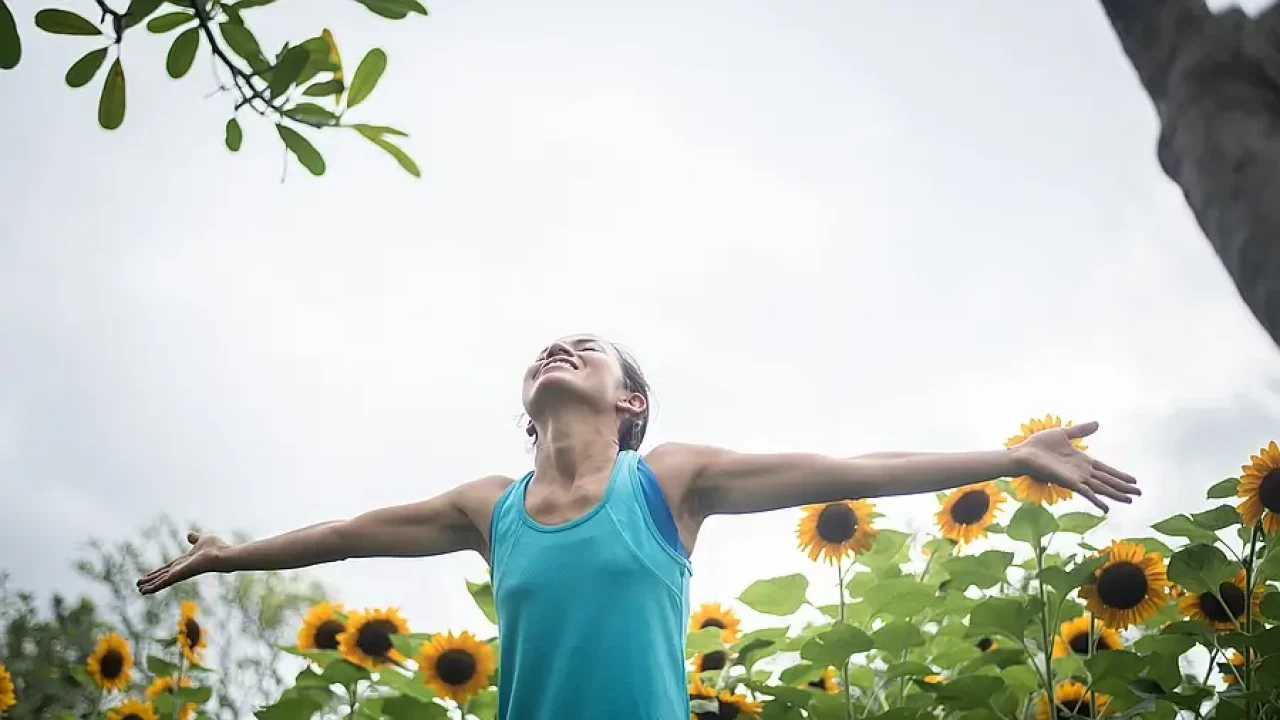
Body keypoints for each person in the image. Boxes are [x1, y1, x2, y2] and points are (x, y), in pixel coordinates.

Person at [137, 334, 1140, 720]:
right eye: (545, 349)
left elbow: (852, 469)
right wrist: (230, 558)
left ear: (629, 403)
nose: (558, 349)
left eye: (587, 348)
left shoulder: (667, 483)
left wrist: (1008, 458)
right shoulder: (487, 509)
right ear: (527, 407)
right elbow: (343, 532)